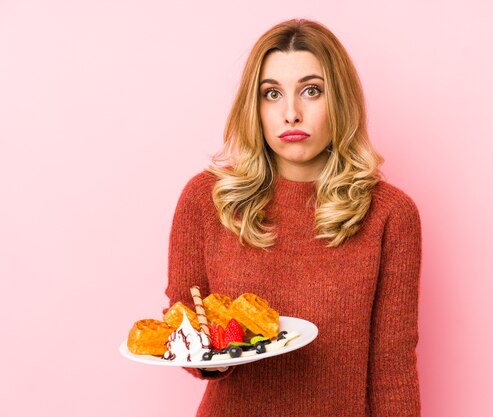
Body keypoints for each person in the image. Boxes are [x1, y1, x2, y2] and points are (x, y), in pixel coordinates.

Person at [165, 18, 422, 417]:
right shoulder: (207, 199)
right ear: (254, 106)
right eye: (272, 94)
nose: (291, 113)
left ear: (340, 101)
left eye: (311, 91)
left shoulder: (390, 215)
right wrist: (207, 356)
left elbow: (393, 368)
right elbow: (184, 318)